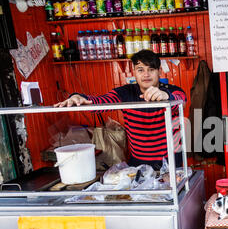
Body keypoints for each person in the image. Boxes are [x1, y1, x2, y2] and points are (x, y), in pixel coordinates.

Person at [54, 50, 186, 169]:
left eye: (151, 69)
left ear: (159, 71)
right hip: (138, 162)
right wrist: (78, 97)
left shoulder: (172, 91)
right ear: (134, 72)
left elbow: (180, 100)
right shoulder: (125, 92)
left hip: (170, 163)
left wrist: (166, 96)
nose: (146, 74)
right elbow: (99, 103)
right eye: (140, 70)